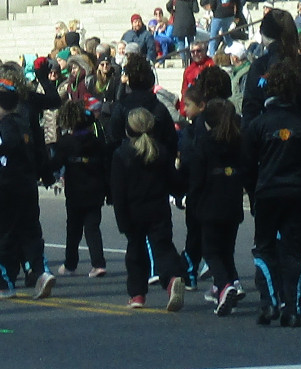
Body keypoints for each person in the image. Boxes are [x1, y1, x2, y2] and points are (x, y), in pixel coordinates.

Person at [241, 54, 301, 326]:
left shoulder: (258, 125)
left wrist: (253, 191)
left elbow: (248, 165)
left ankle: (269, 302)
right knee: (293, 251)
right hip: (298, 192)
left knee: (264, 248)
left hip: (267, 191)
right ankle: (293, 308)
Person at [0, 77, 58, 299]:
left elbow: (10, 145)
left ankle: (3, 284)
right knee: (31, 232)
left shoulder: (3, 127)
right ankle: (41, 271)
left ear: (4, 106)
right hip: (27, 185)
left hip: (7, 187)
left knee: (6, 235)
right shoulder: (24, 124)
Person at [178, 78, 246, 315]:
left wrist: (191, 201)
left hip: (210, 203)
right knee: (227, 249)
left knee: (210, 250)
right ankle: (225, 287)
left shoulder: (205, 143)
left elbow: (197, 178)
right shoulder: (237, 141)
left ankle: (225, 285)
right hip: (233, 202)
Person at [109, 105, 185, 310]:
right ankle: (172, 279)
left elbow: (118, 191)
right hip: (158, 208)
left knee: (135, 253)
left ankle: (137, 295)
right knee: (163, 247)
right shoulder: (161, 151)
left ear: (128, 130)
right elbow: (174, 182)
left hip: (133, 212)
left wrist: (121, 219)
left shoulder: (122, 154)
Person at [50, 102, 112, 277]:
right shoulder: (98, 142)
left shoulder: (66, 142)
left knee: (74, 229)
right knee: (92, 228)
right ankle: (98, 263)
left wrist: (43, 171)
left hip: (75, 192)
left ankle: (70, 264)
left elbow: (55, 164)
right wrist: (109, 192)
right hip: (96, 190)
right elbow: (106, 168)